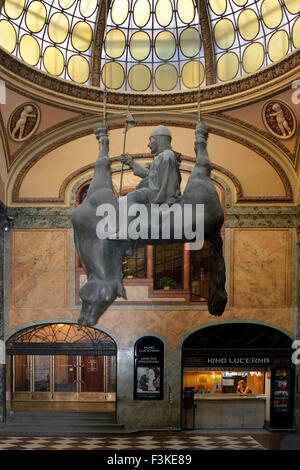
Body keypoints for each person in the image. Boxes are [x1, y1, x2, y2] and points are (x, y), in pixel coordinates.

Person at [120, 125, 181, 205]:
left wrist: (162, 200)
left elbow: (166, 185)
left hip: (158, 194)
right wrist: (131, 162)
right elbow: (150, 176)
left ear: (159, 140)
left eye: (151, 140)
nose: (148, 145)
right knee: (129, 198)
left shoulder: (167, 155)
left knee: (131, 198)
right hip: (155, 192)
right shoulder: (163, 156)